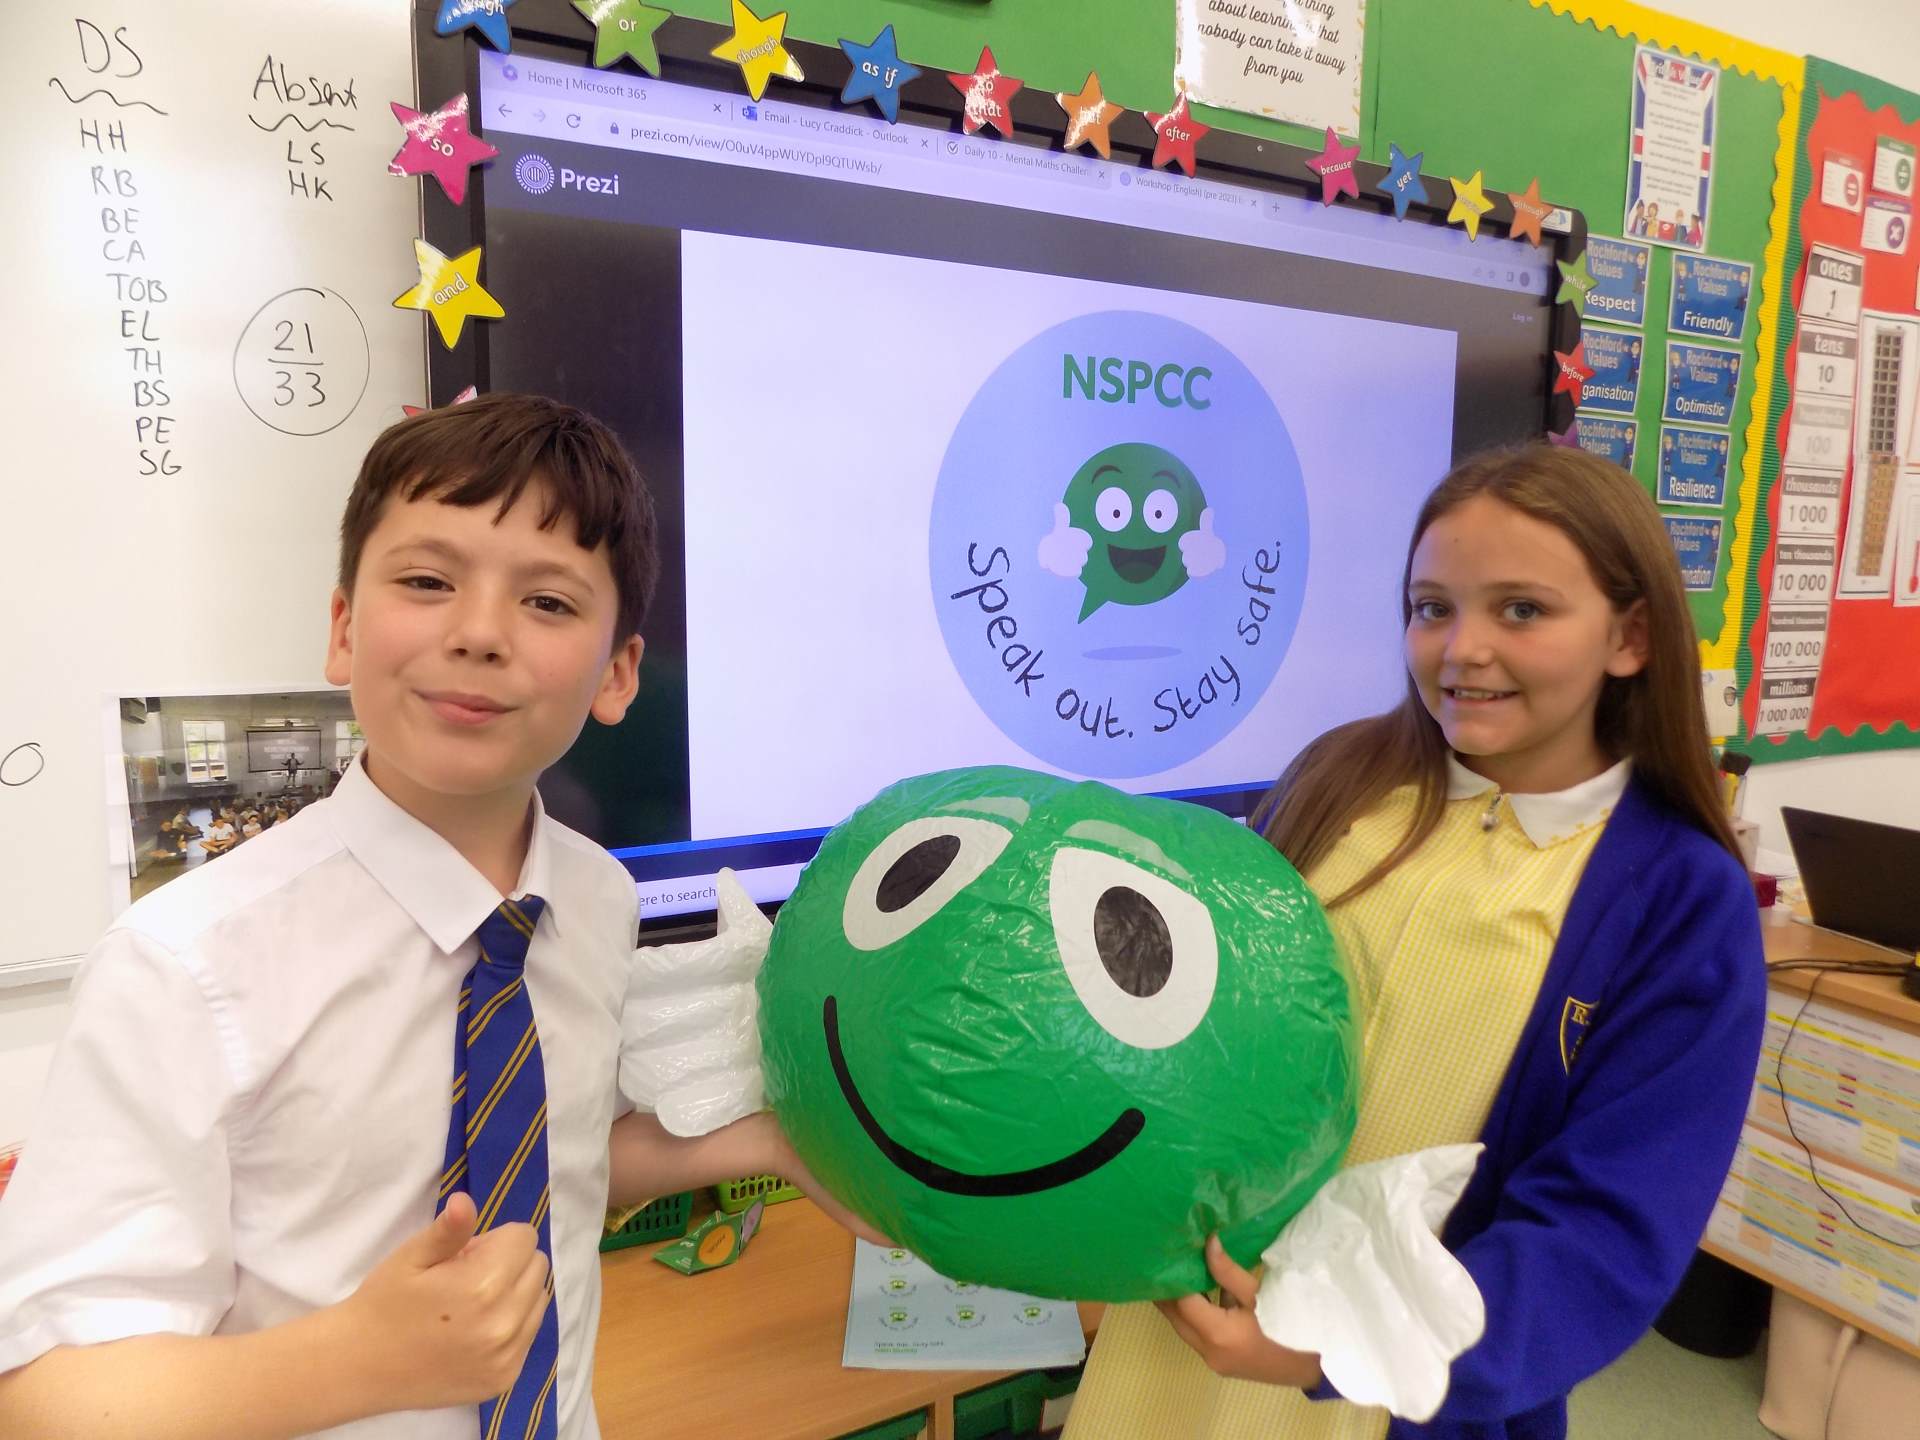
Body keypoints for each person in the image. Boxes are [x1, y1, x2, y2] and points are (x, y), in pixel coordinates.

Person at [0, 393, 857, 1439]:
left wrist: (776, 1142)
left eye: (548, 602)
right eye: (426, 582)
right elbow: (39, 1397)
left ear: (618, 674)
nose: (480, 633)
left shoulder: (595, 896)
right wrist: (357, 1361)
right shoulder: (181, 967)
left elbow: (558, 1153)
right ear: (343, 628)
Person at [1062, 445, 1765, 1440]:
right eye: (1432, 608)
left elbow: (1605, 1233)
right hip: (1187, 1327)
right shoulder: (1342, 777)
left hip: (1399, 1388)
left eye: (1521, 610)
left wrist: (1328, 1350)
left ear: (1631, 636)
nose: (1462, 649)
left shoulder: (1680, 898)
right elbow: (1179, 1022)